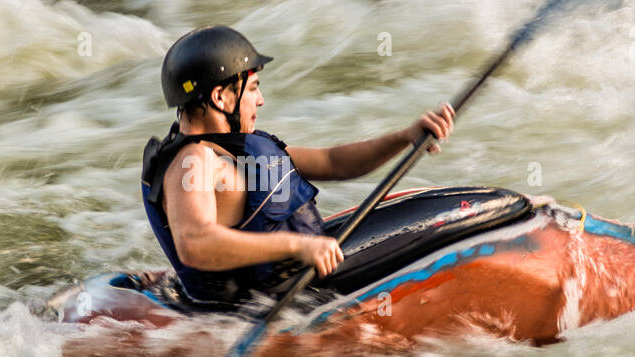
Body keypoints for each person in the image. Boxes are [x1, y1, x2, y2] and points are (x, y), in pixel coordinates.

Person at [141, 25, 454, 305]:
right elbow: (195, 243)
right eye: (252, 89)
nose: (260, 100)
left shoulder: (235, 148)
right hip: (250, 309)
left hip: (287, 288)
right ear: (220, 97)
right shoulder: (193, 162)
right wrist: (298, 246)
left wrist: (405, 137)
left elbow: (334, 162)